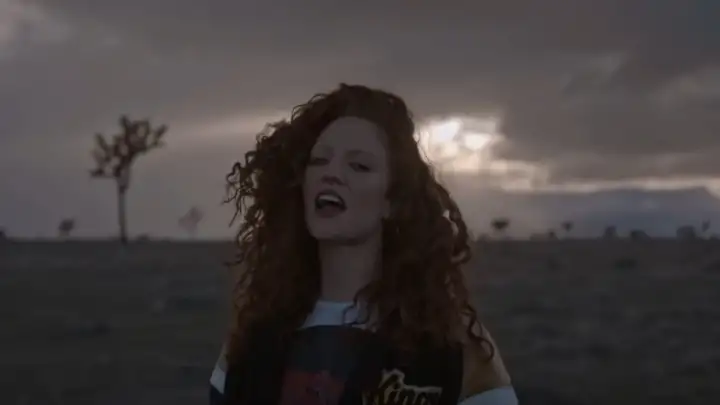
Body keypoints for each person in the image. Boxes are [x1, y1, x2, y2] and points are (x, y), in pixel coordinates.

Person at [209, 83, 517, 405]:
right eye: (319, 161)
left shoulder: (453, 343)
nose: (331, 174)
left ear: (392, 202)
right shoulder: (252, 341)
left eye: (359, 166)